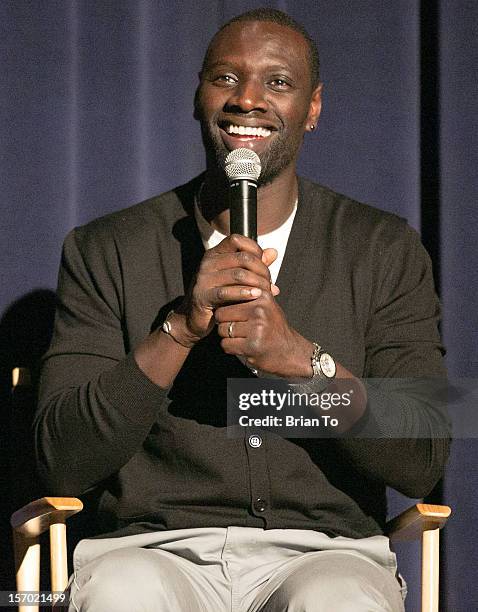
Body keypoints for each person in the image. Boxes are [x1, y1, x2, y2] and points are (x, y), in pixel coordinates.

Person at [34, 8, 450, 611]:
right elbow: (60, 459)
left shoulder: (383, 247)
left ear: (313, 107)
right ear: (198, 97)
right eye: (225, 78)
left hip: (326, 552)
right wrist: (178, 330)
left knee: (338, 600)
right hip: (153, 551)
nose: (247, 100)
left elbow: (426, 453)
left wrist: (307, 364)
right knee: (124, 593)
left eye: (277, 82)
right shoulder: (107, 248)